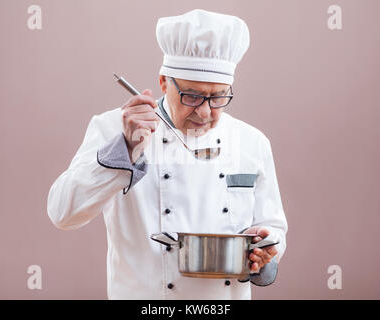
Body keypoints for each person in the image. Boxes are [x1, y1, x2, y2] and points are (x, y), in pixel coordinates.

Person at [47, 8, 288, 300]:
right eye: (192, 95)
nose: (204, 111)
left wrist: (264, 252)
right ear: (164, 82)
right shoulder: (114, 127)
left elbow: (273, 228)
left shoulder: (252, 142)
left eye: (218, 97)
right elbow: (63, 213)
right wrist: (124, 148)